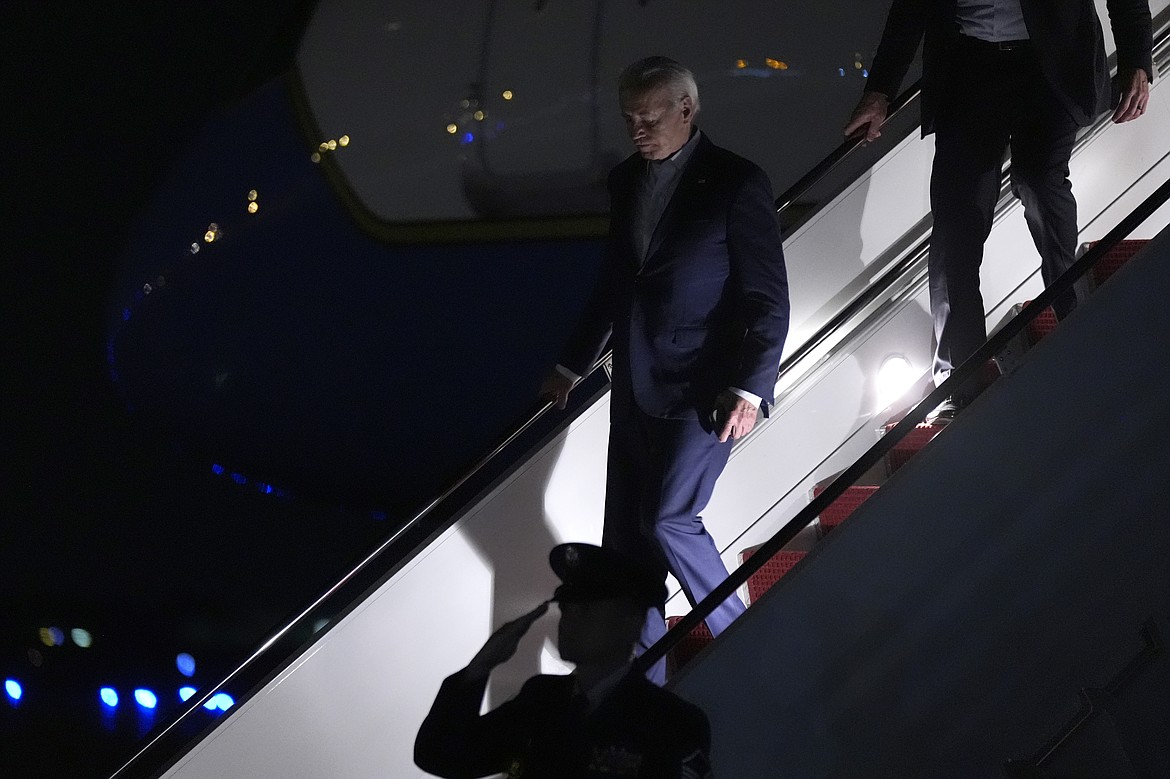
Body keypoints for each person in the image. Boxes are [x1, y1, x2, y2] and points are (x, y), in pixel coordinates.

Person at [539, 57, 790, 683]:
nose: (639, 130)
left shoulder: (737, 182)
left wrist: (751, 387)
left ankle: (748, 638)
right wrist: (572, 363)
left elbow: (767, 297)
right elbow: (615, 282)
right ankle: (643, 676)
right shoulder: (626, 181)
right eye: (629, 119)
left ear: (687, 109)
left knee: (669, 518)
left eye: (651, 117)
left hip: (707, 386)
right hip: (635, 380)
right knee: (626, 541)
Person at [844, 0, 1153, 421]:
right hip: (968, 68)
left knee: (1040, 183)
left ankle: (1078, 324)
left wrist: (1137, 60)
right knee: (956, 221)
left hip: (1051, 65)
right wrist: (879, 91)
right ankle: (957, 380)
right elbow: (910, 8)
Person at [414, 542, 713, 779]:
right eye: (567, 608)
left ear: (632, 622)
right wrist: (480, 667)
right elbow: (441, 756)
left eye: (585, 610)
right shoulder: (540, 699)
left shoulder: (671, 723)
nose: (568, 620)